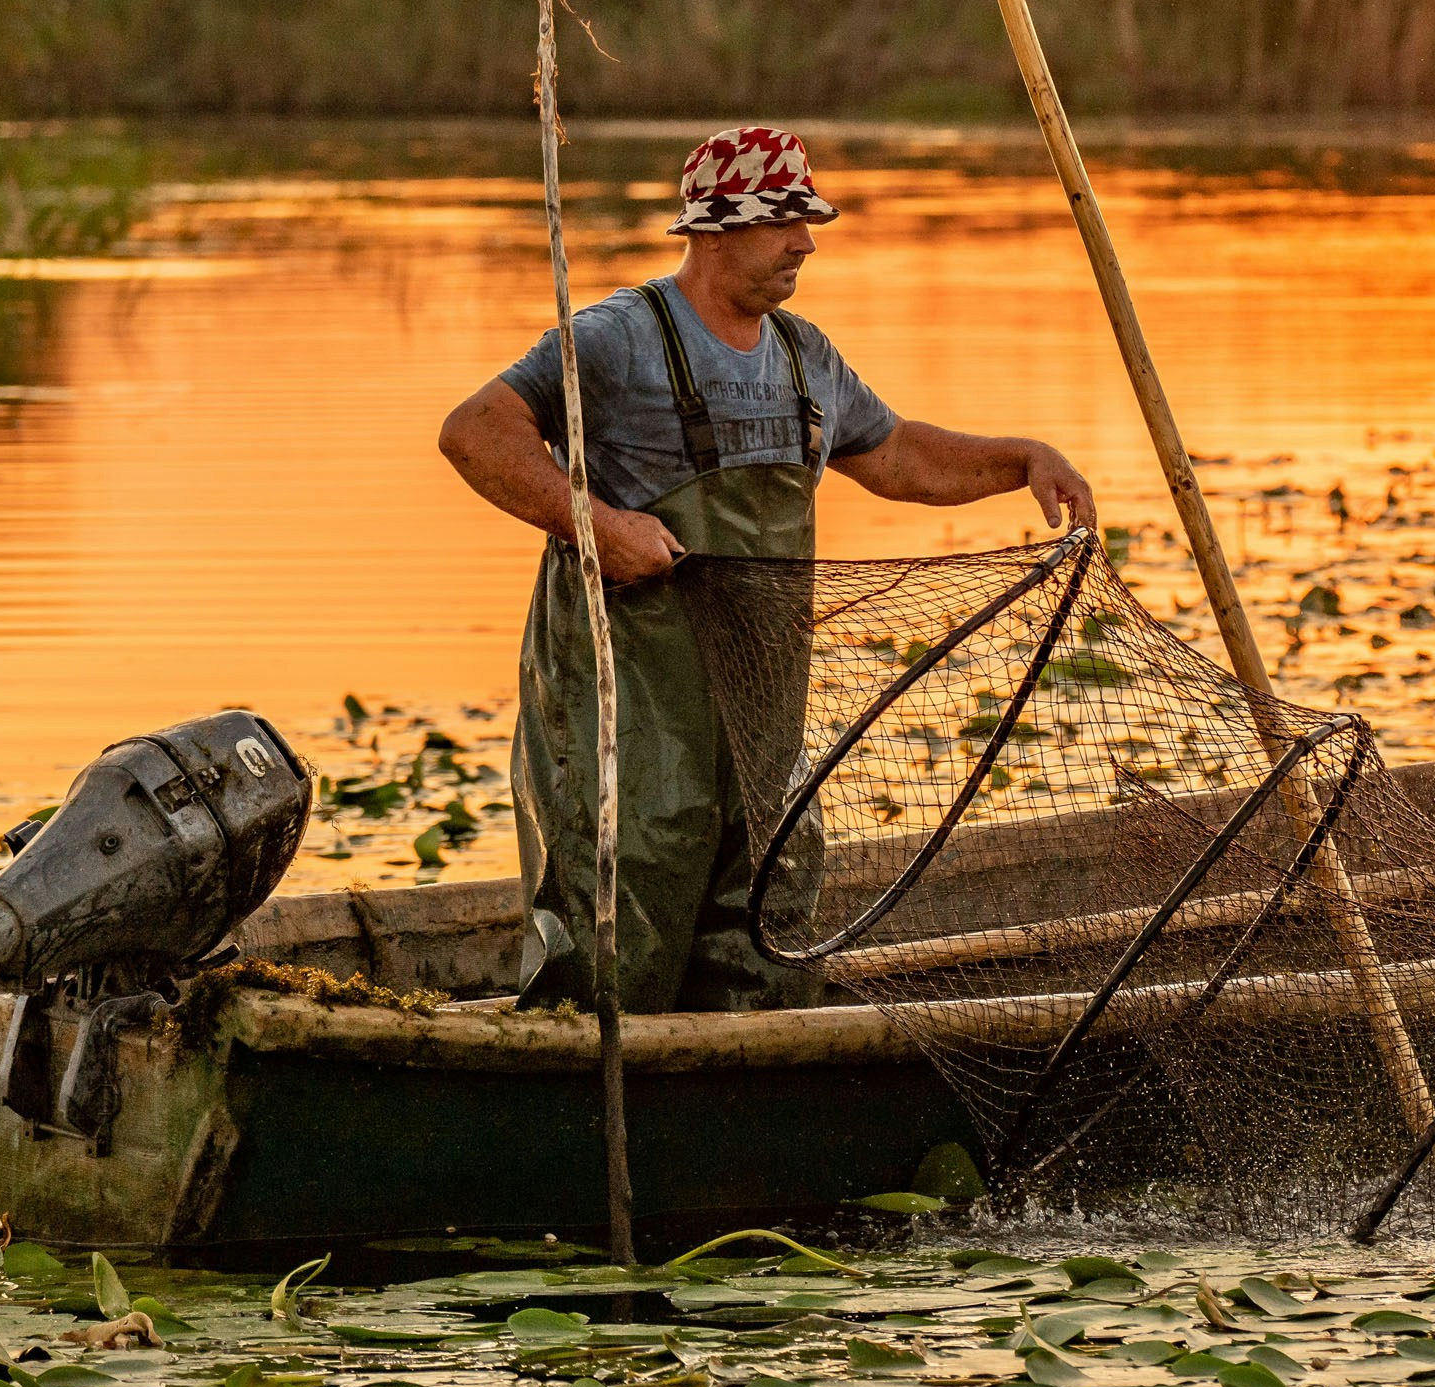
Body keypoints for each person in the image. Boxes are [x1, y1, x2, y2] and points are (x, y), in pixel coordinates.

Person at [439, 125, 1095, 1011]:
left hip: (760, 714)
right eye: (785, 221)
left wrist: (1020, 458)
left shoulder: (803, 356)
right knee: (623, 909)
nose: (806, 242)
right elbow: (475, 431)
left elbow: (896, 452)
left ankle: (739, 1081)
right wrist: (596, 525)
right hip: (630, 715)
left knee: (770, 902)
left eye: (807, 221)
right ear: (714, 230)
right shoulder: (619, 340)